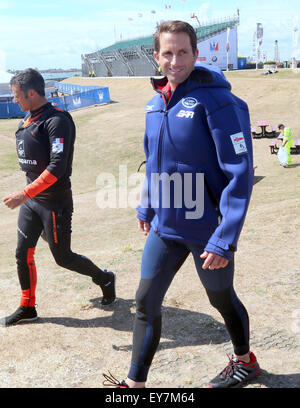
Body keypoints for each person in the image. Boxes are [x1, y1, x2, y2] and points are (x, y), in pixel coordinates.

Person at [103, 21, 260, 389]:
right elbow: (153, 160)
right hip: (166, 225)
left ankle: (244, 361)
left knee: (221, 298)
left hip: (208, 230)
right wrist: (146, 206)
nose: (175, 60)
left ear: (195, 54)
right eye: (167, 53)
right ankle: (135, 385)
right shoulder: (153, 104)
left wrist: (226, 237)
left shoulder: (217, 101)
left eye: (183, 52)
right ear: (156, 57)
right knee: (144, 301)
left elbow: (239, 175)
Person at [0, 68, 116, 327]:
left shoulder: (57, 121)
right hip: (32, 203)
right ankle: (27, 307)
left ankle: (105, 278)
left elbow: (57, 167)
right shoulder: (28, 120)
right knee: (22, 253)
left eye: (17, 95)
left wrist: (23, 193)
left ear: (32, 93)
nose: (14, 100)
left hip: (54, 203)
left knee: (62, 257)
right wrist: (27, 196)